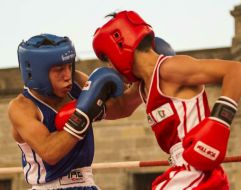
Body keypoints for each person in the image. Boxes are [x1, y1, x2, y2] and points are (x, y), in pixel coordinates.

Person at [92, 11, 241, 189]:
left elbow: (238, 70)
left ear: (119, 46)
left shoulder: (169, 68)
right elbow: (120, 107)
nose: (110, 67)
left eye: (108, 60)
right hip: (182, 170)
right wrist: (82, 95)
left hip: (197, 170)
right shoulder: (144, 85)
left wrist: (219, 122)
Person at [8, 33, 142, 190]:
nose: (67, 76)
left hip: (86, 184)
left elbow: (121, 108)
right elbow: (50, 152)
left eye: (69, 66)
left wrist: (144, 79)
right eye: (59, 69)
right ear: (37, 73)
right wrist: (83, 113)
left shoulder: (77, 83)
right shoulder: (22, 107)